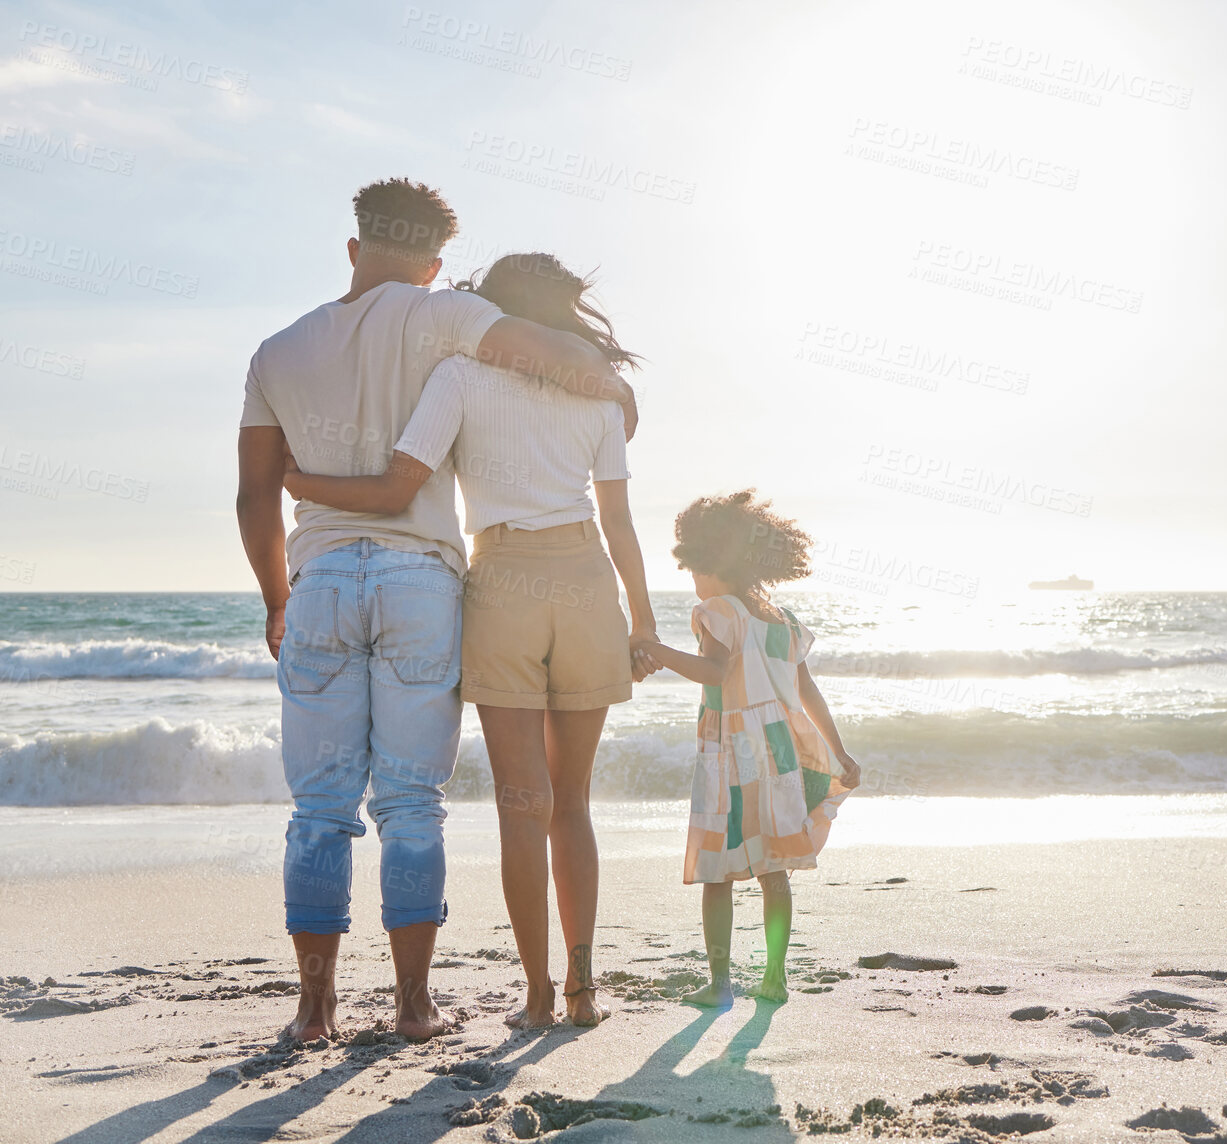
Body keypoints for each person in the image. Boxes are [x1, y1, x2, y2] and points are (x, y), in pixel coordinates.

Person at [235, 179, 636, 1043]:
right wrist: (614, 390)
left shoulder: (277, 351)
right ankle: (424, 1005)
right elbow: (559, 365)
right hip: (442, 580)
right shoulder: (445, 316)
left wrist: (278, 597)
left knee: (320, 808)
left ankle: (315, 1008)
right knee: (420, 804)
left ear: (352, 248)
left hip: (330, 578)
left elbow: (256, 497)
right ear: (435, 263)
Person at [631, 491, 861, 1005]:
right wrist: (838, 750)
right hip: (778, 754)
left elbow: (715, 672)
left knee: (720, 869)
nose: (691, 579)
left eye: (692, 567)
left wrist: (656, 651)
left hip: (732, 752)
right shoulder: (781, 620)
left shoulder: (718, 611)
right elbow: (808, 691)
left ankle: (719, 985)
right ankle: (774, 978)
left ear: (712, 562)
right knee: (772, 866)